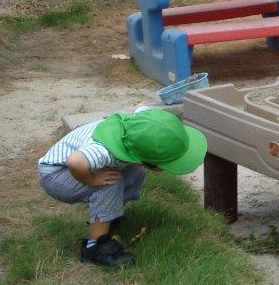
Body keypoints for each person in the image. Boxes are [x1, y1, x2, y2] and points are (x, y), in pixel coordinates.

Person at [37, 107, 207, 267]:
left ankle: (107, 216)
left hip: (78, 166)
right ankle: (95, 246)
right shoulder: (103, 151)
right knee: (111, 183)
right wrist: (92, 179)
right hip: (57, 175)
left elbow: (142, 107)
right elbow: (75, 162)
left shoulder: (139, 126)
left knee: (135, 173)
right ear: (145, 160)